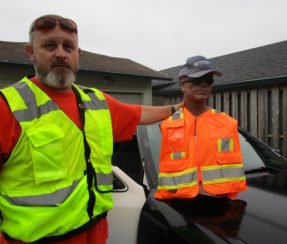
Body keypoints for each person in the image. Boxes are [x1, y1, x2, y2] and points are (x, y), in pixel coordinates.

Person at [0, 15, 182, 243]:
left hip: (95, 234)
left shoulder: (95, 101)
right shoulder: (7, 106)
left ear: (78, 54)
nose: (60, 53)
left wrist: (179, 107)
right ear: (31, 51)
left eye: (68, 47)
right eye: (49, 45)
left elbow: (139, 114)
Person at [154, 55, 247, 200]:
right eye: (197, 80)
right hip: (177, 208)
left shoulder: (228, 123)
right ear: (182, 84)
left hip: (221, 207)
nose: (204, 85)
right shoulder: (167, 124)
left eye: (209, 80)